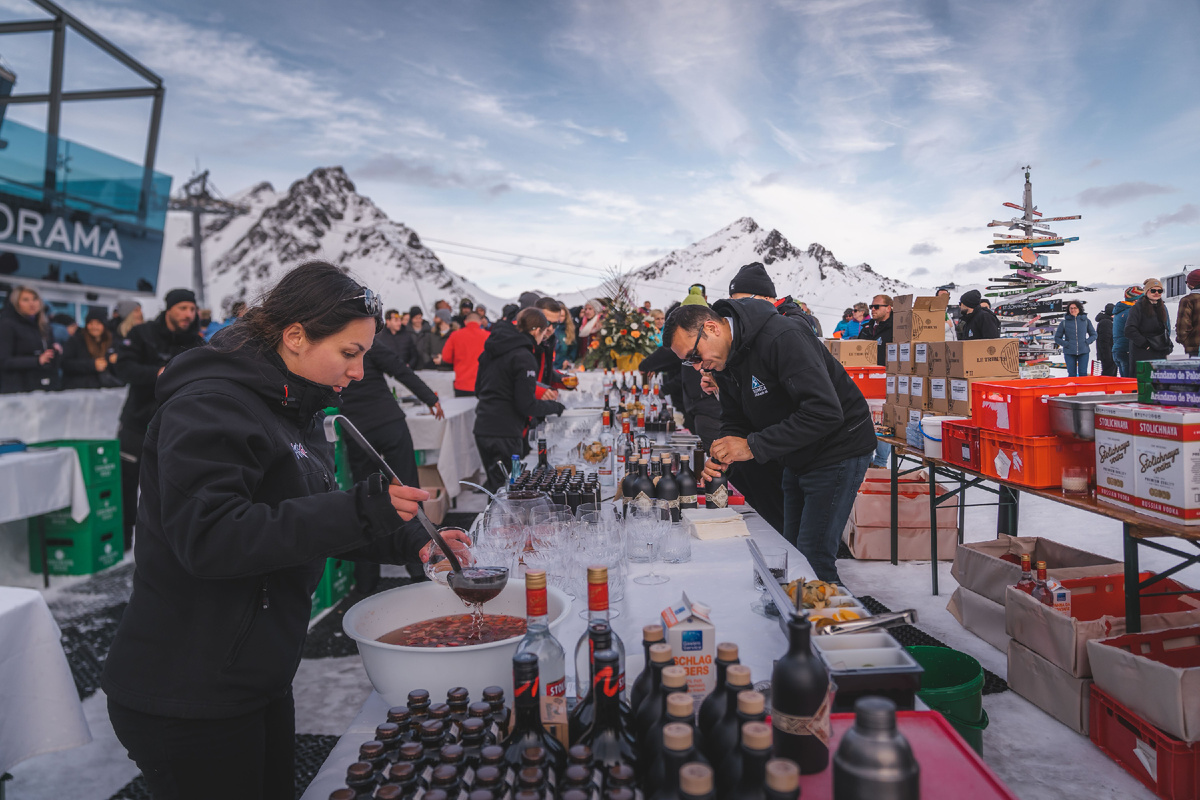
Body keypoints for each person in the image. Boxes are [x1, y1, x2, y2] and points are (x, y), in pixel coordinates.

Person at [100, 262, 461, 800]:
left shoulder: (294, 404)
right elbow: (213, 538)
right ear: (294, 337)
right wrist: (364, 510)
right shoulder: (210, 405)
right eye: (349, 353)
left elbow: (303, 518)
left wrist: (413, 538)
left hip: (255, 671)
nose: (360, 372)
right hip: (188, 688)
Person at [664, 300, 875, 582]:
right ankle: (798, 614)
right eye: (688, 361)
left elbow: (824, 412)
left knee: (813, 559)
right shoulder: (725, 360)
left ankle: (832, 623)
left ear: (712, 328)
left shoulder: (781, 337)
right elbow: (734, 416)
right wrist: (726, 447)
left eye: (694, 355)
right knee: (790, 552)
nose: (697, 367)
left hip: (838, 448)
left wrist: (751, 446)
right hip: (797, 452)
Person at [339, 323, 444, 592]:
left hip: (357, 428)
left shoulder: (333, 345)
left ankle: (366, 581)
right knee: (408, 491)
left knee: (366, 499)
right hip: (388, 422)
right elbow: (399, 369)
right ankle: (420, 567)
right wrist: (430, 398)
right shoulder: (366, 342)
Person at [115, 289, 205, 549]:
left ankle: (166, 541)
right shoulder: (141, 334)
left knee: (172, 484)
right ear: (169, 309)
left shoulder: (196, 344)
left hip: (176, 426)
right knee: (128, 482)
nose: (188, 314)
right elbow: (123, 368)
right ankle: (123, 540)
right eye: (182, 308)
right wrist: (158, 372)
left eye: (192, 309)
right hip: (137, 422)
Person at [473, 308, 565, 491]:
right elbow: (526, 404)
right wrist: (554, 407)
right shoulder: (524, 356)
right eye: (543, 333)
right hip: (505, 431)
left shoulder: (494, 349)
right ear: (536, 331)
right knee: (508, 490)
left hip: (483, 426)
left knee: (495, 488)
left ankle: (492, 519)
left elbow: (478, 389)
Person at [726, 261, 820, 335]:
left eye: (742, 301)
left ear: (765, 298)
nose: (737, 307)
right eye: (732, 301)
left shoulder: (793, 324)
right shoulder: (755, 321)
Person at [0, 285, 59, 393]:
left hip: (42, 388)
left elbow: (49, 360)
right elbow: (4, 361)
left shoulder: (44, 326)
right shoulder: (7, 324)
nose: (32, 303)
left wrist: (55, 351)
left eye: (34, 299)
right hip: (17, 391)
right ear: (16, 303)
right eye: (25, 300)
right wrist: (36, 360)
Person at [1126, 278, 1174, 372]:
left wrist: (1168, 344)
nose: (1157, 293)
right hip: (1143, 353)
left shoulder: (1162, 307)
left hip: (1160, 352)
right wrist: (1145, 344)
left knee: (1159, 382)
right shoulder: (1137, 308)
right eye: (1153, 290)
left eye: (1160, 291)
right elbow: (1129, 330)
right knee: (1144, 381)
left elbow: (1165, 328)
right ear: (1147, 291)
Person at [62, 309, 118, 389]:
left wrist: (113, 361)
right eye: (90, 323)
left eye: (98, 323)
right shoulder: (76, 340)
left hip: (102, 389)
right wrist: (92, 365)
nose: (94, 327)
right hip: (78, 389)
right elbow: (65, 363)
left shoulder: (111, 342)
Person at [441, 311, 490, 396]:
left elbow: (446, 357)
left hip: (462, 385)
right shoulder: (488, 336)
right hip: (483, 384)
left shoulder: (455, 335)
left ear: (465, 322)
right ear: (480, 322)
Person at [1054, 299, 1097, 377]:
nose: (1073, 310)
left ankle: (1082, 389)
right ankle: (1072, 389)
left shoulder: (1086, 321)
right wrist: (1066, 344)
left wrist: (1087, 342)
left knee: (1083, 374)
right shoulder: (1064, 323)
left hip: (1083, 351)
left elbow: (1094, 335)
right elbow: (1057, 338)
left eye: (1075, 308)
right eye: (1071, 308)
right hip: (1069, 352)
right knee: (1072, 374)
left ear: (1079, 309)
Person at [1111, 286, 1142, 377]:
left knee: (1125, 383)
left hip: (1118, 351)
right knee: (1131, 384)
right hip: (1127, 351)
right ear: (1136, 300)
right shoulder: (1131, 311)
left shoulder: (1120, 311)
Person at [857, 294, 893, 367]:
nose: (873, 309)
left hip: (885, 374)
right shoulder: (865, 329)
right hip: (865, 374)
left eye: (876, 307)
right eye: (871, 307)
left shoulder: (895, 329)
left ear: (888, 308)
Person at [1176, 269, 1200, 357]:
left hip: (1194, 348)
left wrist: (1184, 341)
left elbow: (1183, 326)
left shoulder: (1188, 300)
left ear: (1192, 284)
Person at [1095, 303, 1117, 377]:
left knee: (1111, 373)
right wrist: (1108, 354)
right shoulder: (1106, 322)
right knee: (1109, 374)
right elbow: (1104, 341)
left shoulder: (1106, 321)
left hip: (1108, 353)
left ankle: (1111, 388)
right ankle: (1109, 388)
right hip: (1108, 354)